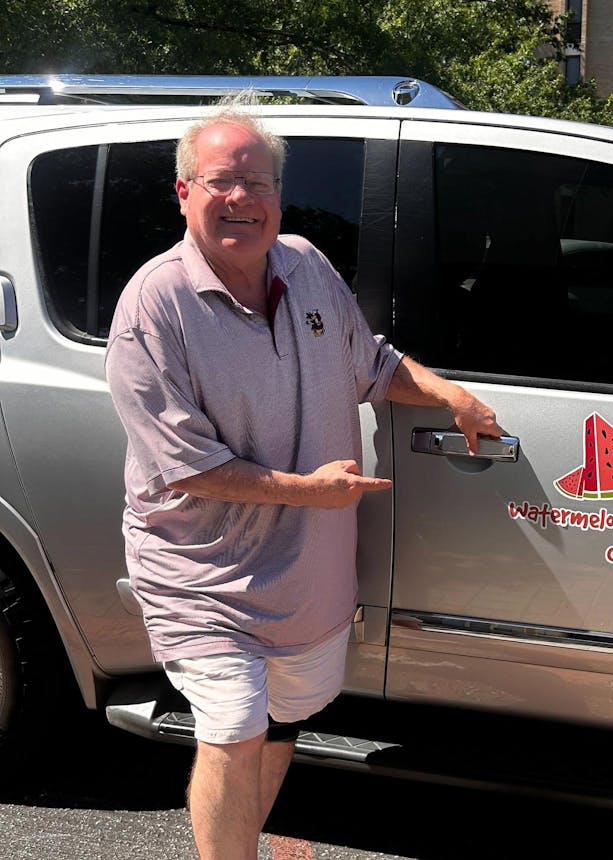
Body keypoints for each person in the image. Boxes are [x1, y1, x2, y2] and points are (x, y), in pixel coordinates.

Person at [104, 95, 502, 860]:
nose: (241, 197)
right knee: (233, 725)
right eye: (220, 181)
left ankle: (245, 838)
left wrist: (446, 393)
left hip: (306, 576)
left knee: (285, 716)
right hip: (203, 573)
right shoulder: (154, 306)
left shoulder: (306, 266)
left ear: (278, 197)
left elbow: (371, 363)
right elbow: (185, 465)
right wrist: (310, 492)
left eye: (257, 182)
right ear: (184, 192)